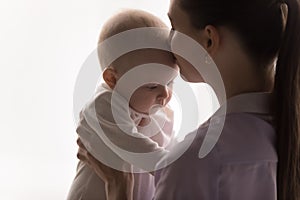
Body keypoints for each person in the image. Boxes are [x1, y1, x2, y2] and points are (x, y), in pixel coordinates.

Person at [77, 0, 300, 199]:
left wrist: (119, 187)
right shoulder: (286, 136)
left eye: (173, 28)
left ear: (209, 40)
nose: (167, 43)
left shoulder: (192, 161)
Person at [67, 9, 179, 200]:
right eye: (152, 86)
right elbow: (138, 148)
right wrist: (178, 169)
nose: (165, 94)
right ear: (112, 79)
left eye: (170, 82)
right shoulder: (104, 105)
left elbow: (175, 151)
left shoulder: (159, 116)